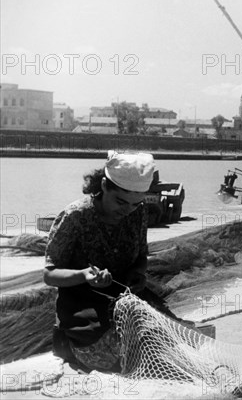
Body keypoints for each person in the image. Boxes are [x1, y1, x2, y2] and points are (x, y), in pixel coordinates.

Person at [43, 152, 155, 371]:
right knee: (107, 352)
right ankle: (66, 342)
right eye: (121, 201)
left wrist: (138, 274)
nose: (127, 210)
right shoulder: (75, 216)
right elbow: (50, 274)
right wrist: (84, 275)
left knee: (164, 332)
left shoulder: (139, 213)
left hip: (125, 296)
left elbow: (141, 256)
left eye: (134, 204)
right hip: (82, 302)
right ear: (104, 185)